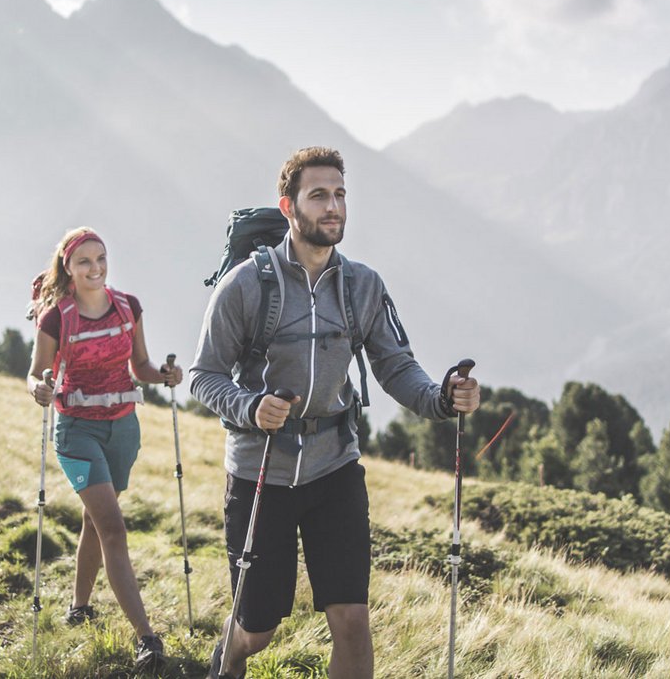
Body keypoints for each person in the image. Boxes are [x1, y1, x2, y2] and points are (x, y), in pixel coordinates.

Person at [189, 147, 482, 679]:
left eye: (340, 195)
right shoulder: (246, 286)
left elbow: (397, 367)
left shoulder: (362, 285)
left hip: (335, 468)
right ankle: (228, 658)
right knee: (257, 628)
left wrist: (442, 397)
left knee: (351, 619)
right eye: (319, 195)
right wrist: (250, 407)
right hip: (261, 472)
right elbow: (202, 375)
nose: (333, 207)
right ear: (289, 206)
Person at [26, 226, 183, 672]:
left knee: (94, 523)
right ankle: (147, 638)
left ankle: (79, 608)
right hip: (76, 431)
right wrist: (39, 387)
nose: (95, 268)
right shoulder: (57, 317)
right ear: (68, 269)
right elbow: (35, 371)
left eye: (101, 259)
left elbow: (141, 366)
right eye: (84, 262)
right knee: (113, 529)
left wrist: (166, 375)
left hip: (122, 430)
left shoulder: (127, 307)